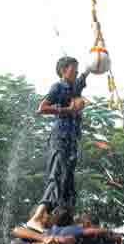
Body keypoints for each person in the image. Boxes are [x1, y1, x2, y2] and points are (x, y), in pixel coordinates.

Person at [37, 56, 91, 212]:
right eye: (74, 69)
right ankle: (40, 214)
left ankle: (62, 216)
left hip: (72, 141)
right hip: (59, 138)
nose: (77, 72)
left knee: (68, 181)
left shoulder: (76, 87)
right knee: (57, 174)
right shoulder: (58, 87)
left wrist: (98, 35)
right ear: (63, 70)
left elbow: (91, 66)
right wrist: (68, 110)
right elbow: (42, 108)